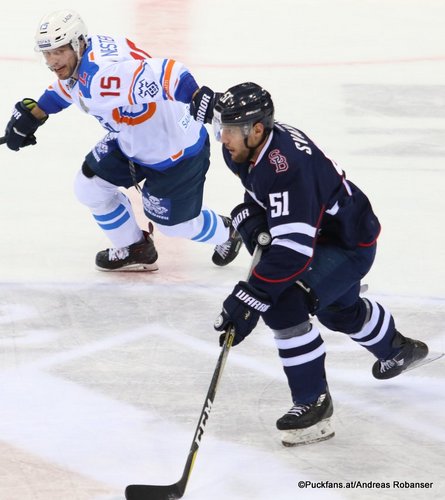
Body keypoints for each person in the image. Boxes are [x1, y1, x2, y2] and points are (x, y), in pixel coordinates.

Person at [210, 82, 429, 446]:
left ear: (258, 129)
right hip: (327, 230)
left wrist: (250, 297)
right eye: (222, 128)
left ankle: (314, 405)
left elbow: (294, 252)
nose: (224, 138)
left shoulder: (288, 167)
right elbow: (272, 205)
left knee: (283, 302)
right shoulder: (247, 148)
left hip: (345, 245)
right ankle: (396, 349)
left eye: (231, 129)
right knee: (337, 312)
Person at [3, 9, 242, 271]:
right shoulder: (88, 54)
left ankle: (227, 233)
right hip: (131, 138)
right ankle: (135, 247)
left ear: (76, 43)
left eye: (58, 51)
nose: (52, 61)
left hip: (176, 152)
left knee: (174, 226)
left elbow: (169, 72)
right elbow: (70, 87)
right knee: (89, 187)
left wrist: (198, 96)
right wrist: (37, 113)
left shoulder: (100, 78)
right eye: (47, 53)